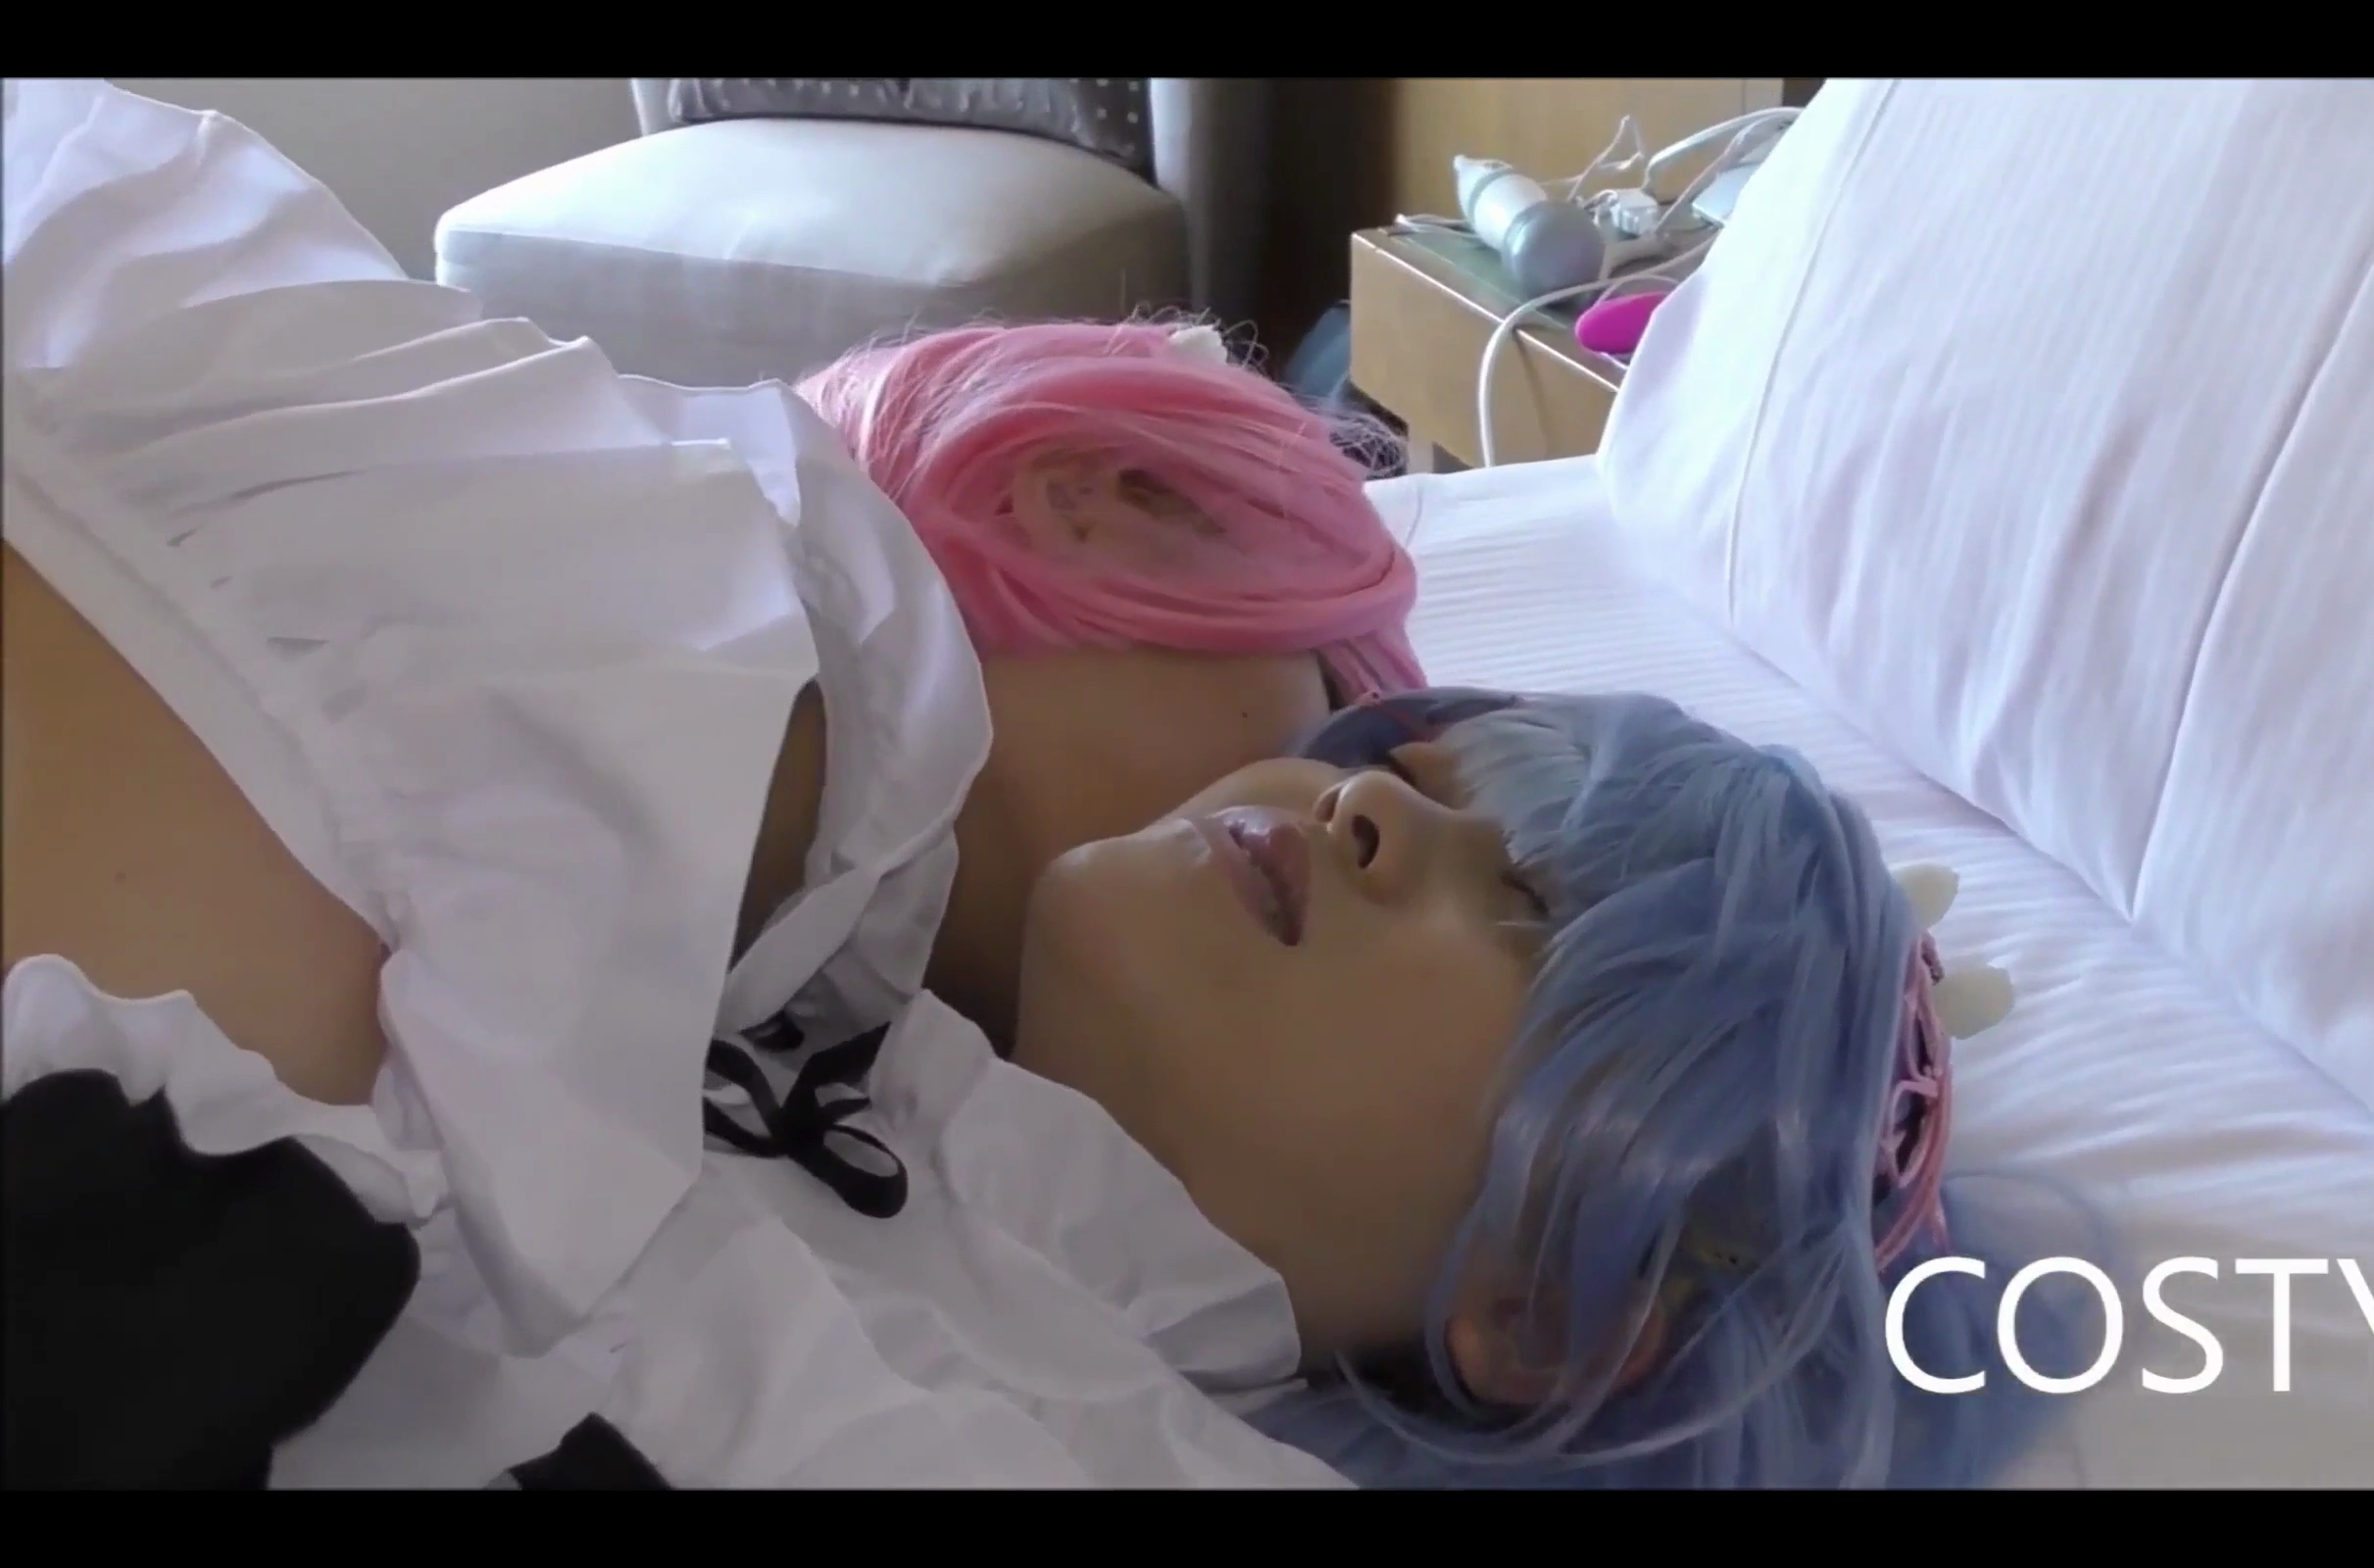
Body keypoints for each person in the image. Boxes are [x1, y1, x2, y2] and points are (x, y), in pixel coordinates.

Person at [1, 79, 2085, 1490]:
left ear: (1545, 1313)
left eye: (1529, 904)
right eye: (1370, 729)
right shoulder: (748, 791)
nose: (1352, 784)